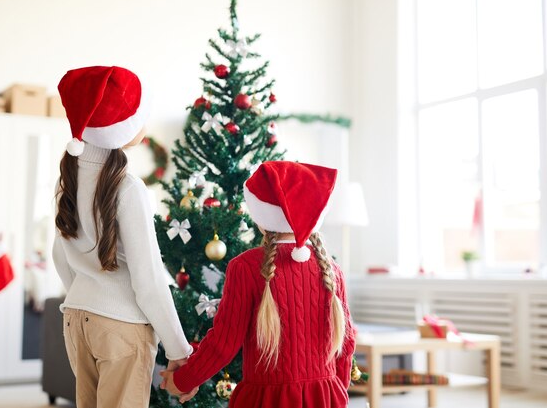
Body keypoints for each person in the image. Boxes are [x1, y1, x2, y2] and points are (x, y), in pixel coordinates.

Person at [160, 161, 357, 407]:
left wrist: (183, 380)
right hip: (326, 397)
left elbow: (224, 343)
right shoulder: (332, 269)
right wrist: (334, 389)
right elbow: (346, 344)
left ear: (261, 217)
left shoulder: (245, 267)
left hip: (266, 400)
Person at [52, 66, 193, 408]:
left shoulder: (66, 179)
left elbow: (60, 258)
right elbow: (148, 280)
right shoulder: (128, 188)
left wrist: (88, 296)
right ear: (121, 125)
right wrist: (179, 350)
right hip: (122, 326)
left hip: (76, 319)